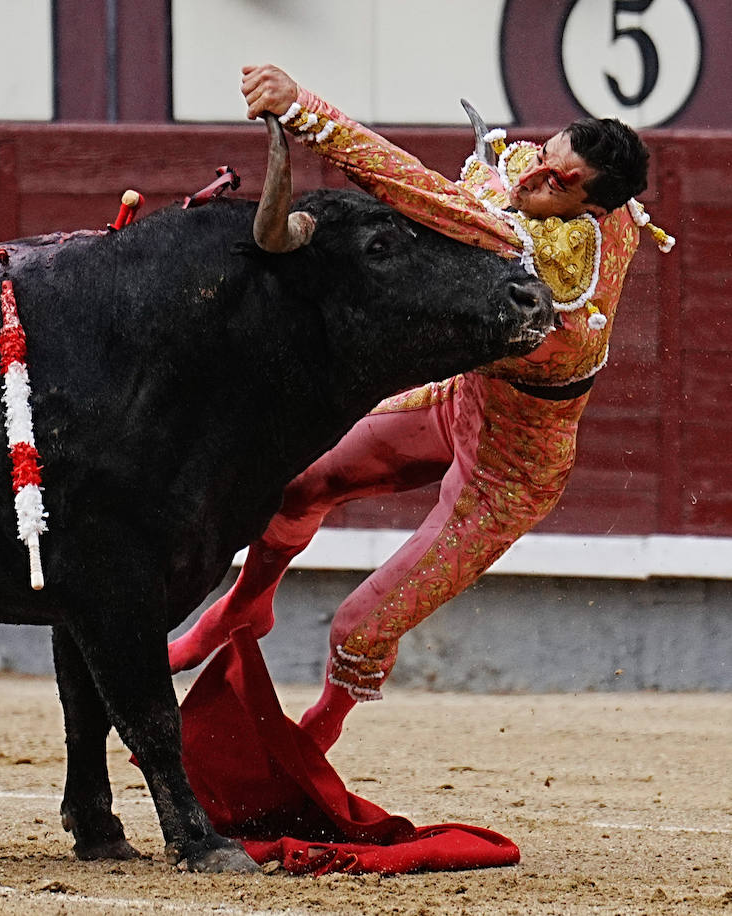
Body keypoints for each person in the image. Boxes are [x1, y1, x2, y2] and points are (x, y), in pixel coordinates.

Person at [169, 64, 673, 753]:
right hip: (458, 400)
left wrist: (304, 109)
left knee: (358, 626)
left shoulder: (549, 259)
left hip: (512, 473)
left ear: (592, 209)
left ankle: (313, 738)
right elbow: (517, 172)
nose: (535, 178)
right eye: (545, 157)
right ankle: (243, 609)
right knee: (298, 485)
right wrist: (505, 173)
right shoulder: (557, 188)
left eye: (559, 182)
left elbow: (417, 190)